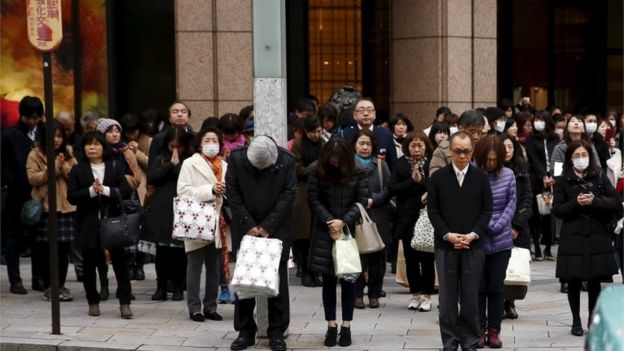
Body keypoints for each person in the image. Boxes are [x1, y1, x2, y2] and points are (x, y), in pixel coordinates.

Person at [226, 135, 297, 351]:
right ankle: (245, 331)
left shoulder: (286, 160)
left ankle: (277, 332)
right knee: (244, 281)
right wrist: (249, 224)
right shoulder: (237, 159)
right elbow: (233, 193)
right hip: (246, 228)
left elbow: (289, 194)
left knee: (278, 282)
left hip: (276, 229)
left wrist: (267, 225)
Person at [427, 131, 493, 351]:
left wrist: (473, 235)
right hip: (446, 245)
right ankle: (449, 341)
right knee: (446, 300)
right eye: (457, 151)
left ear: (472, 152)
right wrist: (448, 235)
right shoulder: (438, 177)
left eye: (466, 151)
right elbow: (433, 211)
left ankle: (471, 340)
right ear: (450, 150)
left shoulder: (481, 177)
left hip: (474, 246)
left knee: (471, 298)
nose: (462, 156)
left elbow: (486, 210)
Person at [551, 139, 621, 337]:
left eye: (584, 155)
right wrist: (576, 203)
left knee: (595, 280)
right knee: (572, 279)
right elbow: (557, 209)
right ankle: (575, 320)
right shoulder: (563, 179)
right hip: (572, 235)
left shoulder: (598, 175)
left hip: (597, 233)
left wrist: (594, 201)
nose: (581, 159)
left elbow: (615, 202)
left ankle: (592, 318)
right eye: (576, 156)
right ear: (569, 159)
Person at [308, 139, 368, 348]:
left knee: (349, 280)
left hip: (348, 232)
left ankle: (347, 326)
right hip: (325, 232)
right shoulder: (317, 170)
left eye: (337, 160)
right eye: (331, 160)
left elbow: (361, 201)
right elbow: (313, 200)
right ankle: (331, 326)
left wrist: (343, 222)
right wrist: (331, 223)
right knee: (328, 282)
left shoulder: (358, 171)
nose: (334, 163)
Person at [67, 132, 133, 318]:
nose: (92, 147)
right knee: (89, 265)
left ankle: (125, 303)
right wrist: (90, 191)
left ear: (104, 147)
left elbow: (125, 190)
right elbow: (71, 197)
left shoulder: (113, 167)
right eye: (88, 144)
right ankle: (93, 301)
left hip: (113, 223)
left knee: (120, 264)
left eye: (96, 144)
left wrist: (104, 190)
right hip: (89, 224)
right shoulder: (78, 169)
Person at [177, 127, 231, 323]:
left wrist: (224, 190)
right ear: (200, 143)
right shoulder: (190, 164)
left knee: (214, 267)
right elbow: (183, 191)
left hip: (218, 221)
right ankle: (194, 308)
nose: (211, 144)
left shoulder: (224, 165)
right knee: (194, 266)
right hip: (196, 220)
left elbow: (232, 191)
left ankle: (211, 306)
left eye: (214, 140)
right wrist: (210, 189)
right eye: (207, 140)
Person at [26, 122, 78, 302]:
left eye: (59, 136)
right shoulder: (35, 154)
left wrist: (63, 166)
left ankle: (60, 285)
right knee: (45, 250)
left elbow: (77, 177)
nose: (56, 140)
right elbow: (33, 178)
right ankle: (50, 286)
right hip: (46, 207)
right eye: (52, 136)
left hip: (65, 207)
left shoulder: (69, 153)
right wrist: (54, 168)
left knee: (63, 250)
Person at [472, 136, 516, 348]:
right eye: (487, 160)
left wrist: (497, 226)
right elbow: (470, 204)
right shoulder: (472, 174)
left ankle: (494, 330)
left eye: (494, 160)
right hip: (477, 239)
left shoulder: (508, 175)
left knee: (496, 288)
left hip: (501, 241)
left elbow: (511, 203)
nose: (490, 164)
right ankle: (479, 329)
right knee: (478, 288)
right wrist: (483, 225)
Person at [143, 127, 193, 301]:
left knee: (179, 251)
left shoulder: (191, 160)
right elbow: (152, 178)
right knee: (162, 251)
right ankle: (161, 286)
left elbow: (189, 181)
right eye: (172, 146)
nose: (175, 150)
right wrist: (169, 165)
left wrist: (178, 166)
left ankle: (179, 285)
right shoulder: (160, 158)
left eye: (179, 147)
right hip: (162, 207)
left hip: (182, 208)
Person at [1, 95, 43, 294]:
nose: (34, 121)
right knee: (13, 237)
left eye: (37, 117)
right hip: (17, 192)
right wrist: (9, 181)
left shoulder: (43, 132)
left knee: (38, 237)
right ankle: (15, 280)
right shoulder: (10, 135)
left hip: (39, 191)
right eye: (30, 118)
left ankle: (38, 278)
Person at [388, 132, 434, 311]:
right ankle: (415, 294)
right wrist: (411, 181)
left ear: (425, 147)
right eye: (413, 146)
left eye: (420, 145)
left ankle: (427, 295)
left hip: (426, 218)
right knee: (411, 258)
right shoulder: (400, 164)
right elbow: (392, 187)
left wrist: (421, 181)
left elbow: (436, 186)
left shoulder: (432, 163)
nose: (416, 149)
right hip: (406, 218)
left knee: (428, 257)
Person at [97, 119, 144, 281]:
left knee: (124, 239)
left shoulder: (126, 152)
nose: (115, 134)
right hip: (101, 201)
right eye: (110, 131)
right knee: (102, 243)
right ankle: (103, 282)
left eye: (117, 131)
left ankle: (131, 270)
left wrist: (118, 179)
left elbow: (136, 179)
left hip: (123, 199)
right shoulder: (97, 152)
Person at [351, 129, 392, 309]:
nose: (365, 147)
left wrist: (374, 200)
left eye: (368, 144)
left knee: (378, 258)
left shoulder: (381, 165)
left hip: (378, 215)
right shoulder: (348, 164)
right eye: (361, 144)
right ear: (355, 145)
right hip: (356, 215)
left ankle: (374, 293)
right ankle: (357, 294)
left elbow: (389, 189)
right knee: (358, 258)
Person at [499, 134, 533, 320]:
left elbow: (527, 200)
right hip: (497, 227)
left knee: (516, 269)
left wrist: (516, 225)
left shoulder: (521, 170)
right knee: (498, 268)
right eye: (504, 147)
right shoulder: (491, 169)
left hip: (518, 228)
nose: (507, 151)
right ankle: (498, 303)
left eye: (511, 147)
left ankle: (510, 303)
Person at [292, 116, 325, 287]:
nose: (316, 135)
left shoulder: (324, 144)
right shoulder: (298, 145)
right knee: (304, 235)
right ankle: (305, 271)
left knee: (317, 236)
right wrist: (314, 166)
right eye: (313, 132)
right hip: (303, 190)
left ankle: (315, 271)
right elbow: (297, 169)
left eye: (319, 131)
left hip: (321, 189)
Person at [524, 111, 560, 261]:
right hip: (536, 179)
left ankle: (548, 247)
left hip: (552, 181)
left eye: (541, 119)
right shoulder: (531, 139)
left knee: (549, 214)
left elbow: (557, 158)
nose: (538, 122)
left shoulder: (555, 138)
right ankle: (537, 248)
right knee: (536, 213)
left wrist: (554, 176)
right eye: (536, 119)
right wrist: (542, 176)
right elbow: (532, 158)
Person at [336, 98, 398, 170]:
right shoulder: (344, 134)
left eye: (369, 110)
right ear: (354, 115)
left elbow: (393, 164)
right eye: (362, 110)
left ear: (374, 114)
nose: (366, 114)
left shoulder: (386, 134)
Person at [429, 109, 486, 175]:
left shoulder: (483, 150)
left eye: (479, 133)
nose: (476, 137)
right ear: (460, 128)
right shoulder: (443, 149)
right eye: (472, 131)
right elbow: (435, 177)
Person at [149, 101, 195, 169]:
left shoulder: (196, 137)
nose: (179, 114)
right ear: (169, 118)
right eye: (175, 112)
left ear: (188, 117)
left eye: (183, 111)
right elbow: (152, 168)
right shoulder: (159, 138)